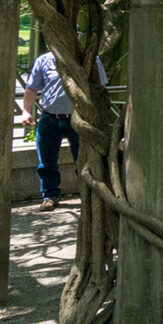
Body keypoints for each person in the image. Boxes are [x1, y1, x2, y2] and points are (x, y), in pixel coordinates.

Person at [22, 50, 106, 212]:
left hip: (79, 118)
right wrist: (26, 111)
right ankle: (49, 196)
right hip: (49, 118)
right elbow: (31, 88)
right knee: (46, 161)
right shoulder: (44, 60)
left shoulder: (89, 58)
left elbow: (100, 88)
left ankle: (87, 196)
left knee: (83, 160)